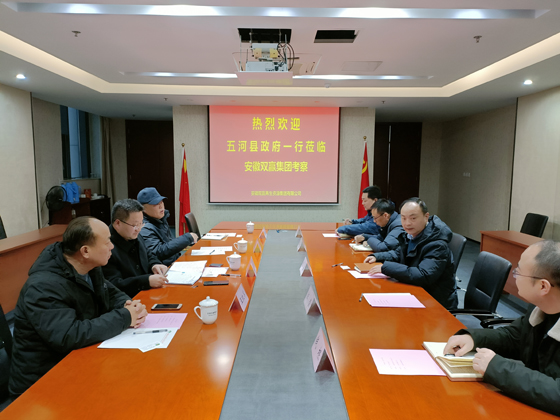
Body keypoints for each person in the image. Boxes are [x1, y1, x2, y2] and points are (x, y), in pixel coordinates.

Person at [9, 217, 147, 398]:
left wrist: (128, 305)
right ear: (85, 251)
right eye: (107, 242)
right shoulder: (43, 287)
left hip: (79, 363)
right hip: (42, 384)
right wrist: (125, 317)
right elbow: (69, 335)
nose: (112, 247)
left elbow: (112, 292)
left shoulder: (89, 266)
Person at [444, 240, 560, 416]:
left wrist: (496, 367)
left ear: (543, 286)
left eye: (519, 271)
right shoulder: (541, 307)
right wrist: (473, 338)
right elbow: (514, 337)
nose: (515, 275)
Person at [365, 198, 458, 309]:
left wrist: (386, 268)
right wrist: (377, 256)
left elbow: (424, 275)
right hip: (416, 291)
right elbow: (399, 253)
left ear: (426, 216)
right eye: (403, 218)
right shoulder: (411, 235)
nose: (407, 223)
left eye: (413, 218)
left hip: (435, 301)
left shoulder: (437, 244)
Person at [102, 199, 169, 297]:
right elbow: (114, 284)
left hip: (148, 292)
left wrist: (154, 264)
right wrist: (146, 281)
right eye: (134, 225)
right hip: (129, 299)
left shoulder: (133, 234)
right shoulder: (107, 247)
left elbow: (148, 253)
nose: (139, 229)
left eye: (141, 223)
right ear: (118, 223)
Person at [137, 187, 198, 266]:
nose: (161, 206)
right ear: (143, 209)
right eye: (156, 204)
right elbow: (158, 252)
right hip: (163, 268)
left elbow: (169, 244)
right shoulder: (145, 228)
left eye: (161, 202)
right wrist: (187, 238)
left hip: (174, 263)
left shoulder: (160, 219)